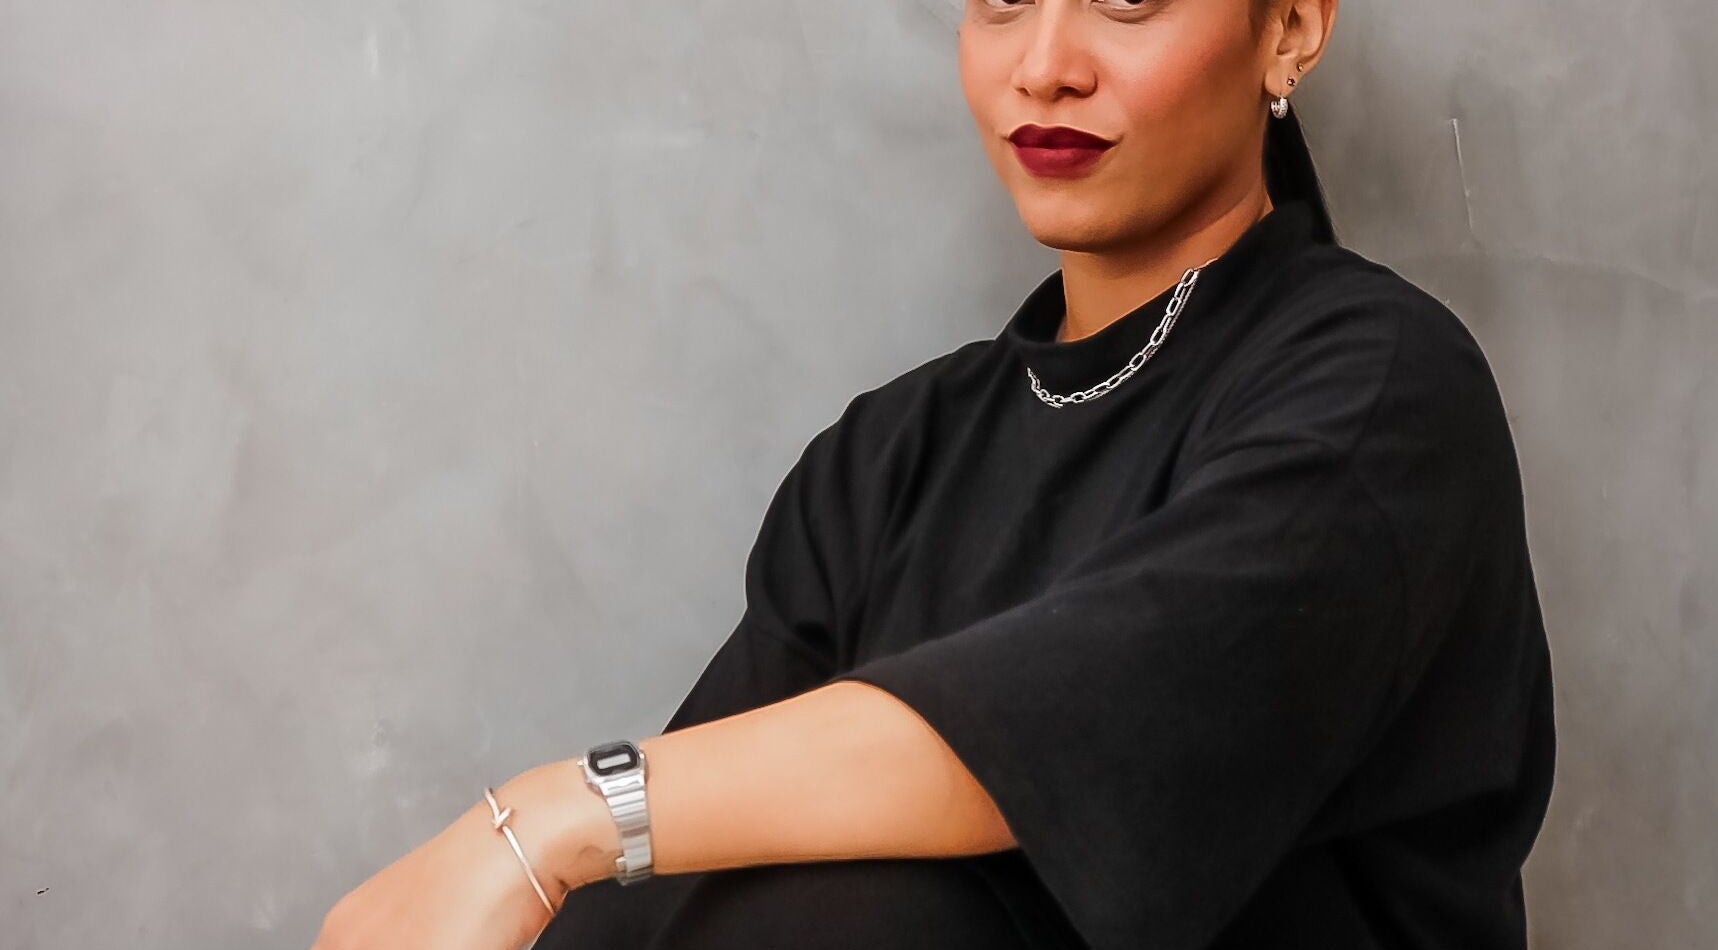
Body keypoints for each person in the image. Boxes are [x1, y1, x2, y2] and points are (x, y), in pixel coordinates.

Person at [314, 2, 1557, 948]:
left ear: (1288, 28)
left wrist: (551, 816)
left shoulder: (1375, 388)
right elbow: (682, 886)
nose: (1045, 63)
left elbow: (1071, 737)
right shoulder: (890, 452)